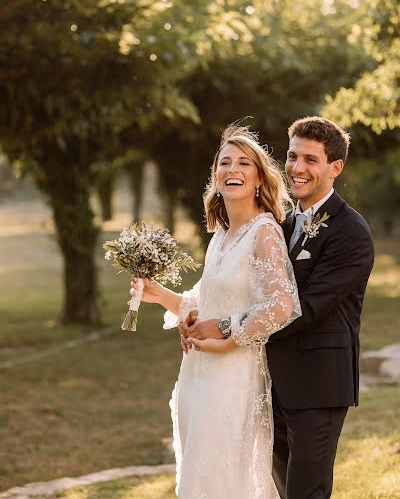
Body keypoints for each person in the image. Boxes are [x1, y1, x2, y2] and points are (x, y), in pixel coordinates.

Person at [183, 116, 375, 499]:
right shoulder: (280, 224)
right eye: (292, 156)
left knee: (306, 491)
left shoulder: (351, 232)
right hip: (266, 383)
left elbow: (304, 308)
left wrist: (228, 328)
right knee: (279, 489)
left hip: (317, 386)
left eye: (310, 159)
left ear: (335, 167)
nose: (297, 168)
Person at [130, 123, 301, 498]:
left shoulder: (264, 231)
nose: (233, 170)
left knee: (225, 477)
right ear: (216, 176)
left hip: (234, 374)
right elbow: (204, 303)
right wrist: (159, 295)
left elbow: (282, 304)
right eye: (225, 163)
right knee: (199, 475)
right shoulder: (221, 236)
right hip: (197, 374)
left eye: (244, 163)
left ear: (259, 178)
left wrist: (230, 336)